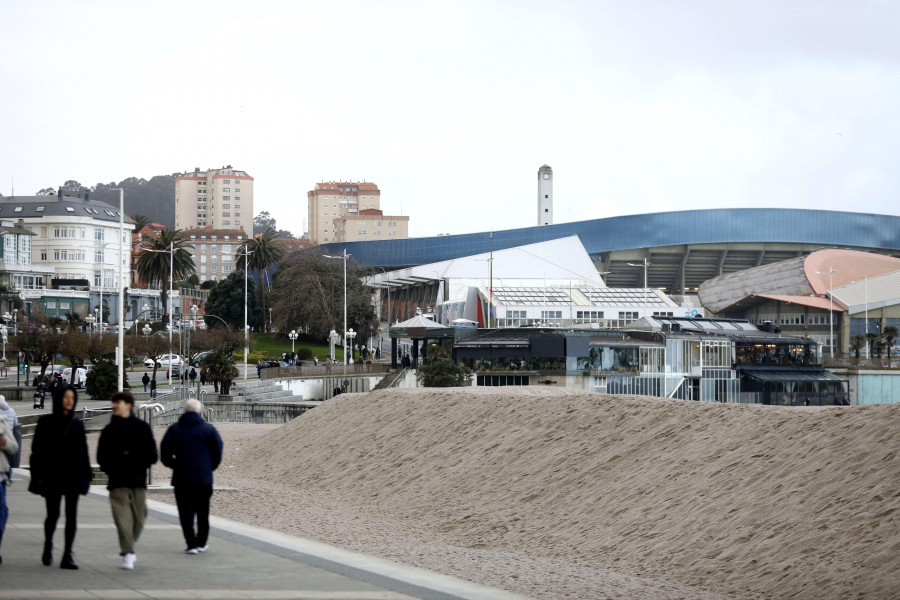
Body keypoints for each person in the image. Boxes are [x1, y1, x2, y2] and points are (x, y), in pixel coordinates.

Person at [30, 385, 92, 569]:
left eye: (72, 397)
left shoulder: (77, 424)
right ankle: (48, 545)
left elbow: (83, 451)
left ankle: (67, 554)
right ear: (59, 399)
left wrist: (87, 475)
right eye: (66, 397)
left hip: (72, 475)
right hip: (52, 475)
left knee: (71, 516)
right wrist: (37, 476)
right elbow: (37, 452)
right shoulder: (45, 422)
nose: (69, 400)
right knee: (53, 515)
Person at [97, 391, 158, 570]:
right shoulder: (109, 430)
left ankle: (128, 545)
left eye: (119, 402)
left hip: (138, 480)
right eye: (114, 402)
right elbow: (101, 456)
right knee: (122, 518)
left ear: (128, 405)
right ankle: (128, 552)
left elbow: (153, 454)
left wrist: (138, 461)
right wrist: (112, 469)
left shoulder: (142, 427)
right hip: (117, 482)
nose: (115, 406)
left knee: (139, 518)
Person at [160, 399, 223, 555]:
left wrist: (175, 465)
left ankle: (191, 544)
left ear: (185, 411)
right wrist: (210, 467)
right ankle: (201, 542)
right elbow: (217, 451)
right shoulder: (209, 430)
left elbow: (165, 453)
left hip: (182, 477)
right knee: (203, 512)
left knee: (185, 512)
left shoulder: (174, 429)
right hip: (203, 477)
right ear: (200, 412)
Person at [0, 409, 20, 563]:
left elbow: (14, 447)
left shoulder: (2, 421)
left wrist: (4, 442)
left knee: (2, 513)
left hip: (0, 477)